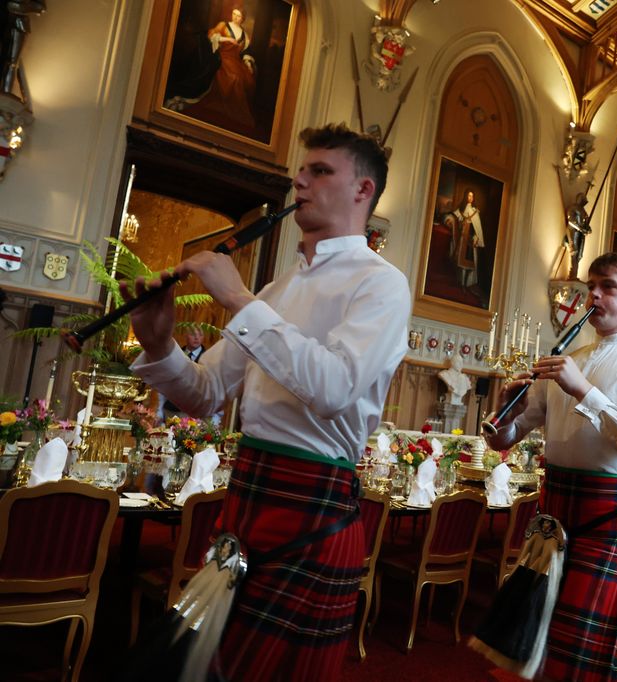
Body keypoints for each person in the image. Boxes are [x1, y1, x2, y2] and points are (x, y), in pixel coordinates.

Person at [125, 123, 410, 680]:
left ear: (363, 191)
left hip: (315, 505)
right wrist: (157, 342)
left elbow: (333, 388)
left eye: (320, 171)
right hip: (249, 497)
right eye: (301, 172)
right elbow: (204, 394)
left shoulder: (382, 284)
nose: (300, 182)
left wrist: (235, 297)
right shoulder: (277, 291)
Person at [483, 252, 617, 681]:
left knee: (582, 660)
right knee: (540, 642)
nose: (593, 294)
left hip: (608, 515)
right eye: (592, 285)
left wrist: (583, 391)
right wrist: (505, 417)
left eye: (608, 286)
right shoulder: (572, 359)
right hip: (554, 511)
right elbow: (504, 441)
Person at [166, 7, 257, 135]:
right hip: (222, 57)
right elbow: (212, 35)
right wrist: (227, 39)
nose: (235, 17)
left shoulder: (244, 35)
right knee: (233, 78)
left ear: (243, 19)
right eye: (234, 14)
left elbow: (245, 52)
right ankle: (221, 105)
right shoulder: (223, 25)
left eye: (239, 16)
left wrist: (248, 62)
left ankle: (232, 111)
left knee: (248, 81)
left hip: (236, 61)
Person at [157, 325, 209, 421]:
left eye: (200, 335)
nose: (196, 338)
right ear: (186, 336)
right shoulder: (175, 354)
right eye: (193, 334)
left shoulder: (208, 358)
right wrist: (159, 409)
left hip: (196, 413)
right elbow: (165, 382)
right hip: (171, 410)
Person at [450, 189, 484, 288]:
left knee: (469, 262)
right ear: (466, 197)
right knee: (461, 261)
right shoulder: (464, 208)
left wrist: (476, 237)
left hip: (471, 239)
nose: (470, 198)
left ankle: (466, 284)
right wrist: (462, 222)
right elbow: (462, 221)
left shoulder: (475, 211)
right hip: (463, 237)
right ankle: (460, 283)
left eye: (472, 196)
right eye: (469, 196)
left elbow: (477, 228)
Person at [565, 191, 590, 281]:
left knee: (579, 255)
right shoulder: (573, 208)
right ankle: (572, 275)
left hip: (581, 234)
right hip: (573, 232)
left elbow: (585, 224)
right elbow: (571, 221)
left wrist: (587, 229)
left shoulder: (583, 211)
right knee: (574, 252)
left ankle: (574, 275)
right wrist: (580, 228)